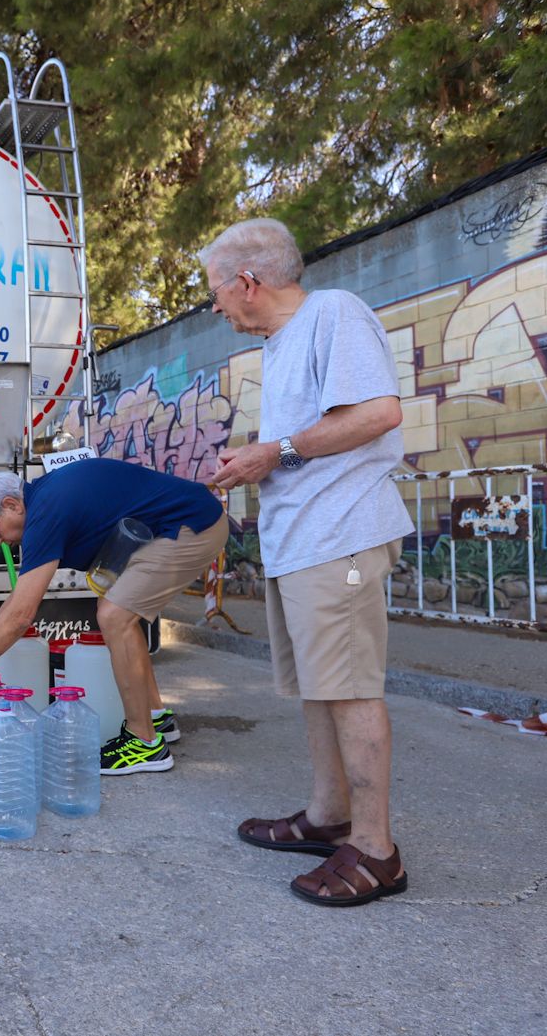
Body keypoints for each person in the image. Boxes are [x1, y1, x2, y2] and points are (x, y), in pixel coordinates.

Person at [203, 217, 414, 907]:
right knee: (323, 685)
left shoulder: (333, 312)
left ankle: (377, 849)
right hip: (302, 540)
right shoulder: (283, 342)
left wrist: (275, 451)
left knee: (349, 686)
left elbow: (379, 413)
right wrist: (261, 457)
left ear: (247, 282)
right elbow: (311, 437)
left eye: (214, 292)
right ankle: (329, 816)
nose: (214, 307)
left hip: (339, 534)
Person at [0, 460, 226, 773]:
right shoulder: (44, 500)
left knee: (115, 616)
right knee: (117, 610)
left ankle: (144, 742)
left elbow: (21, 616)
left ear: (11, 505)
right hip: (185, 521)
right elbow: (16, 601)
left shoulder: (46, 512)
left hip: (193, 526)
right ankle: (155, 716)